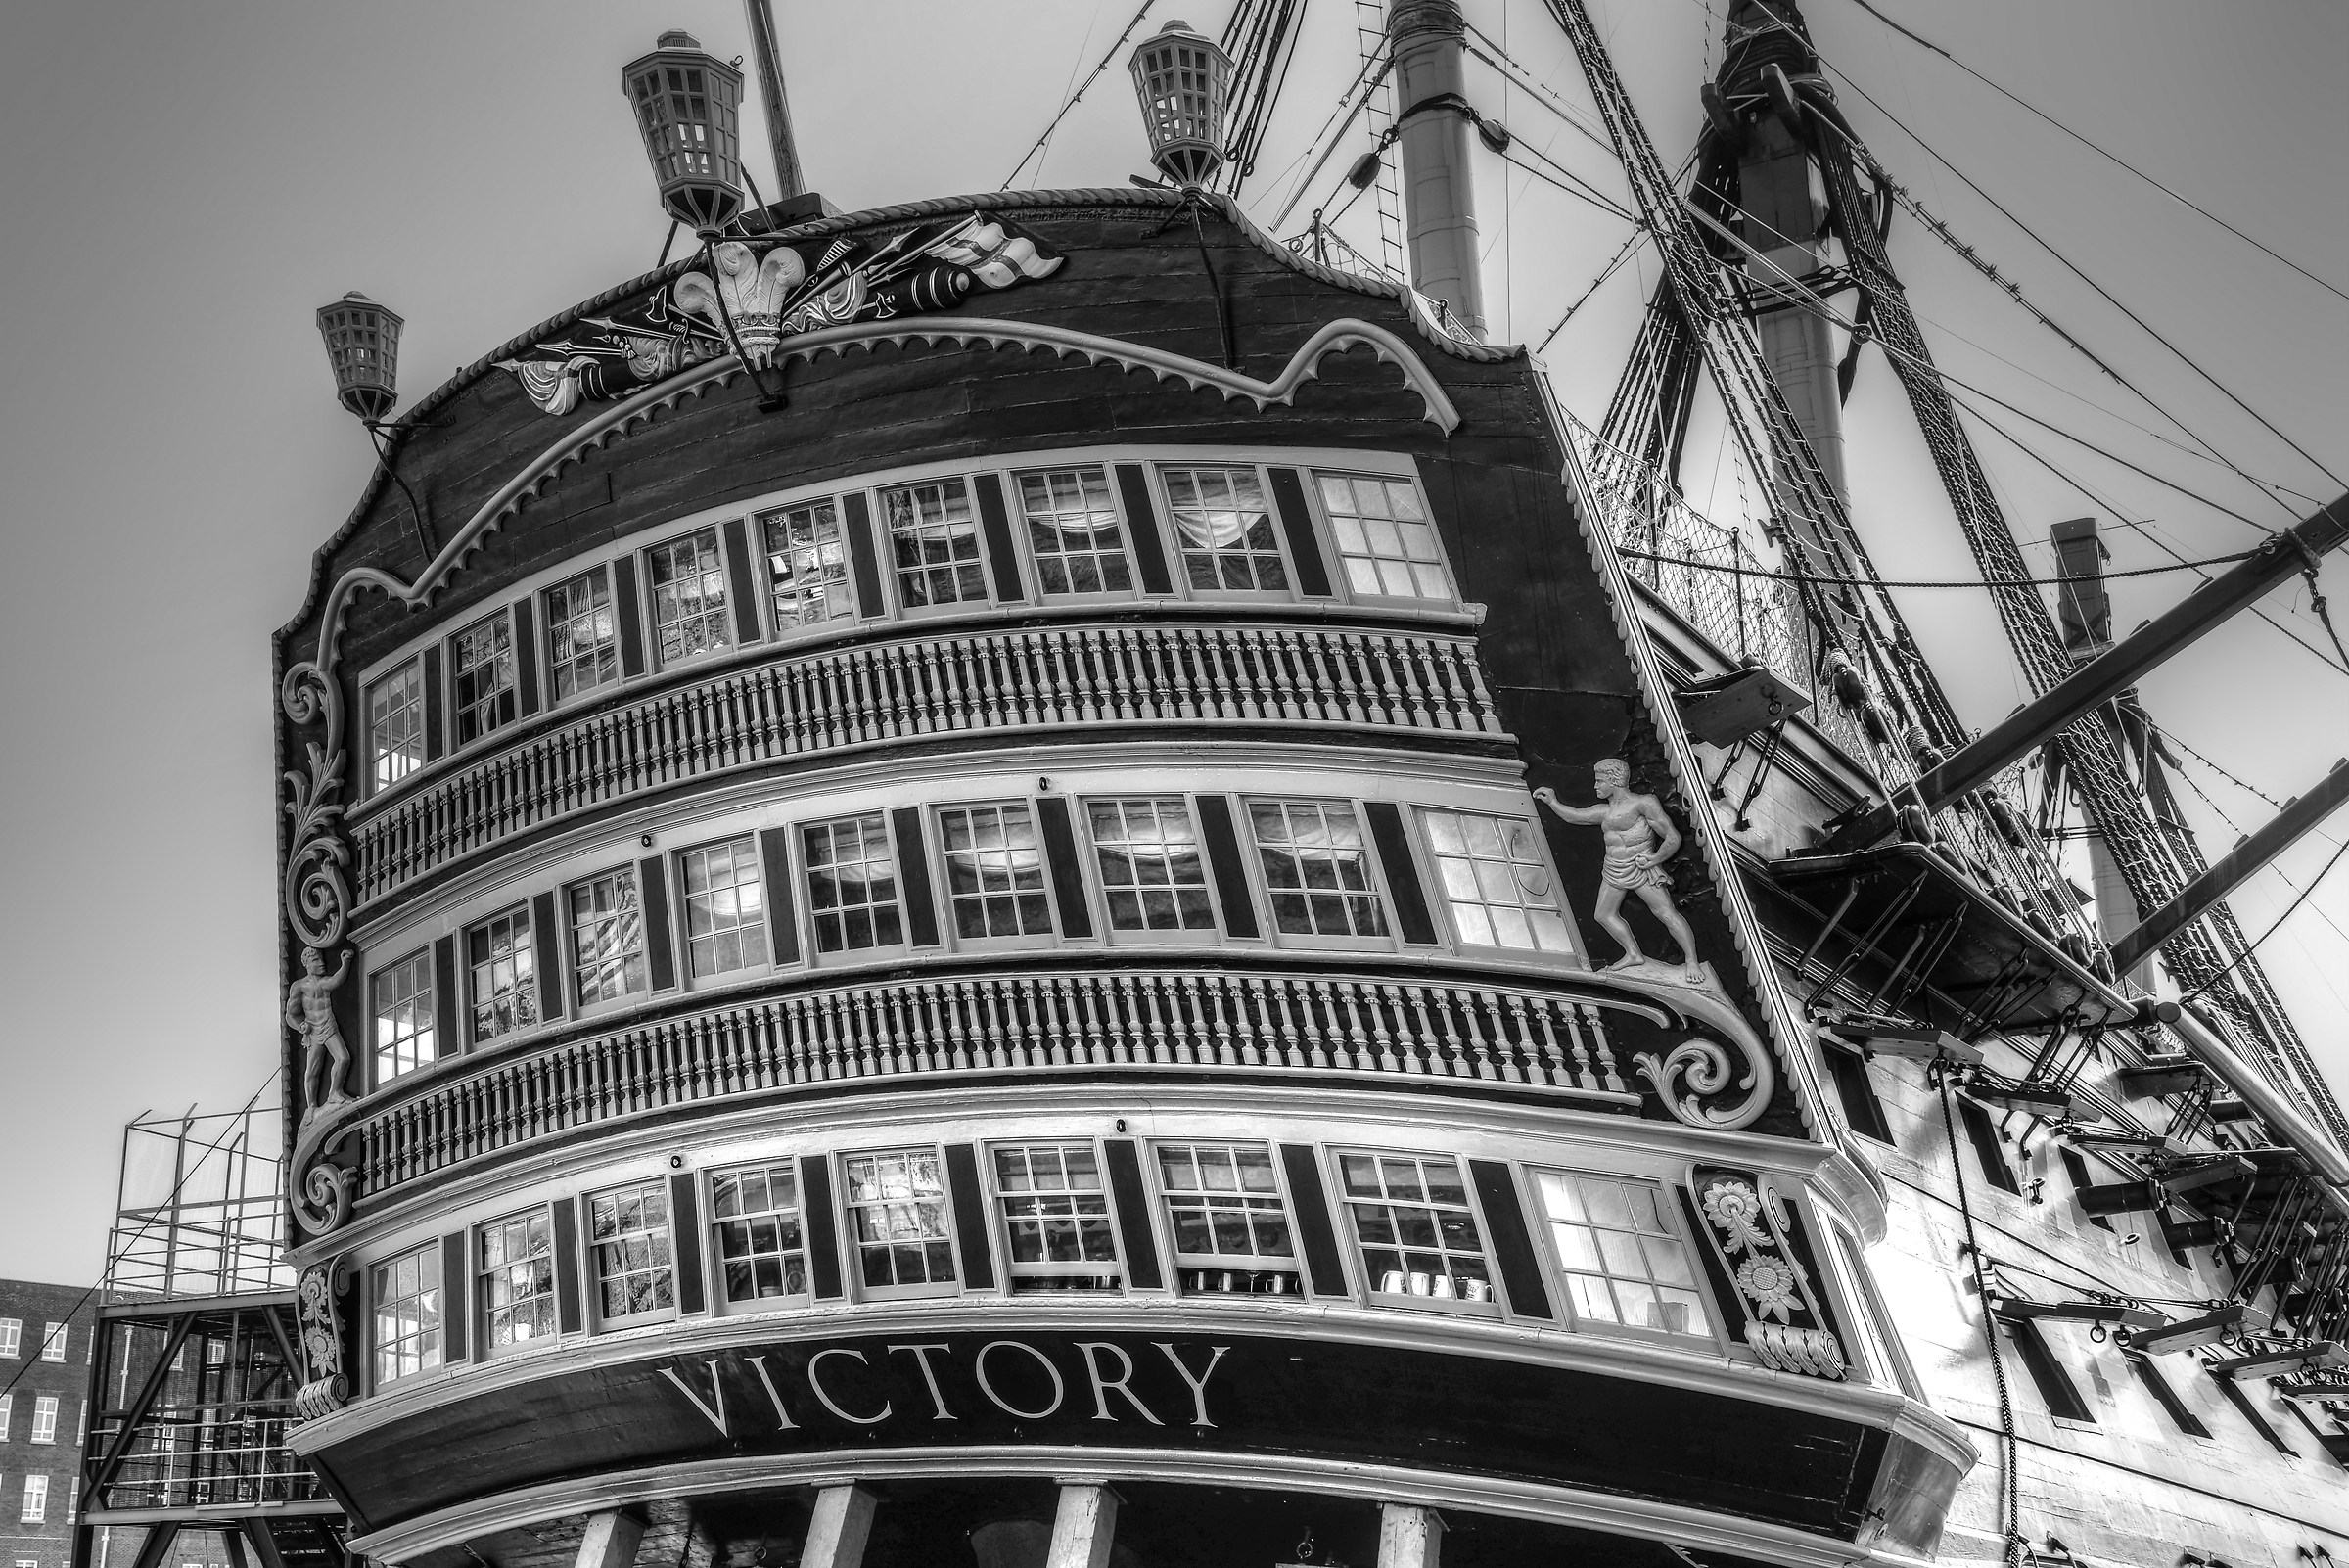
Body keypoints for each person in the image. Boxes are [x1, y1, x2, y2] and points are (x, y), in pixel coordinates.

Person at [1535, 759, 1707, 985]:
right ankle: (1634, 954)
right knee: (1603, 915)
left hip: (1640, 868)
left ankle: (1692, 961)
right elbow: (1574, 816)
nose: (1595, 786)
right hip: (1614, 870)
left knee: (1665, 913)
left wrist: (1655, 859)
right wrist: (1553, 802)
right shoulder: (1604, 811)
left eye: (1599, 781)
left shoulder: (1643, 803)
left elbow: (1672, 837)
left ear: (1614, 780)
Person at [286, 946, 354, 1122]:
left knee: (343, 1058)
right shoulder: (299, 986)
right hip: (312, 1030)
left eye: (321, 959)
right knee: (312, 1070)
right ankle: (311, 1106)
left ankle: (334, 1092)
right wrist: (300, 1026)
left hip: (328, 1025)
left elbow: (336, 981)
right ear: (307, 964)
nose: (322, 963)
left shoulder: (324, 982)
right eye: (316, 960)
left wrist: (345, 963)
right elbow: (290, 1015)